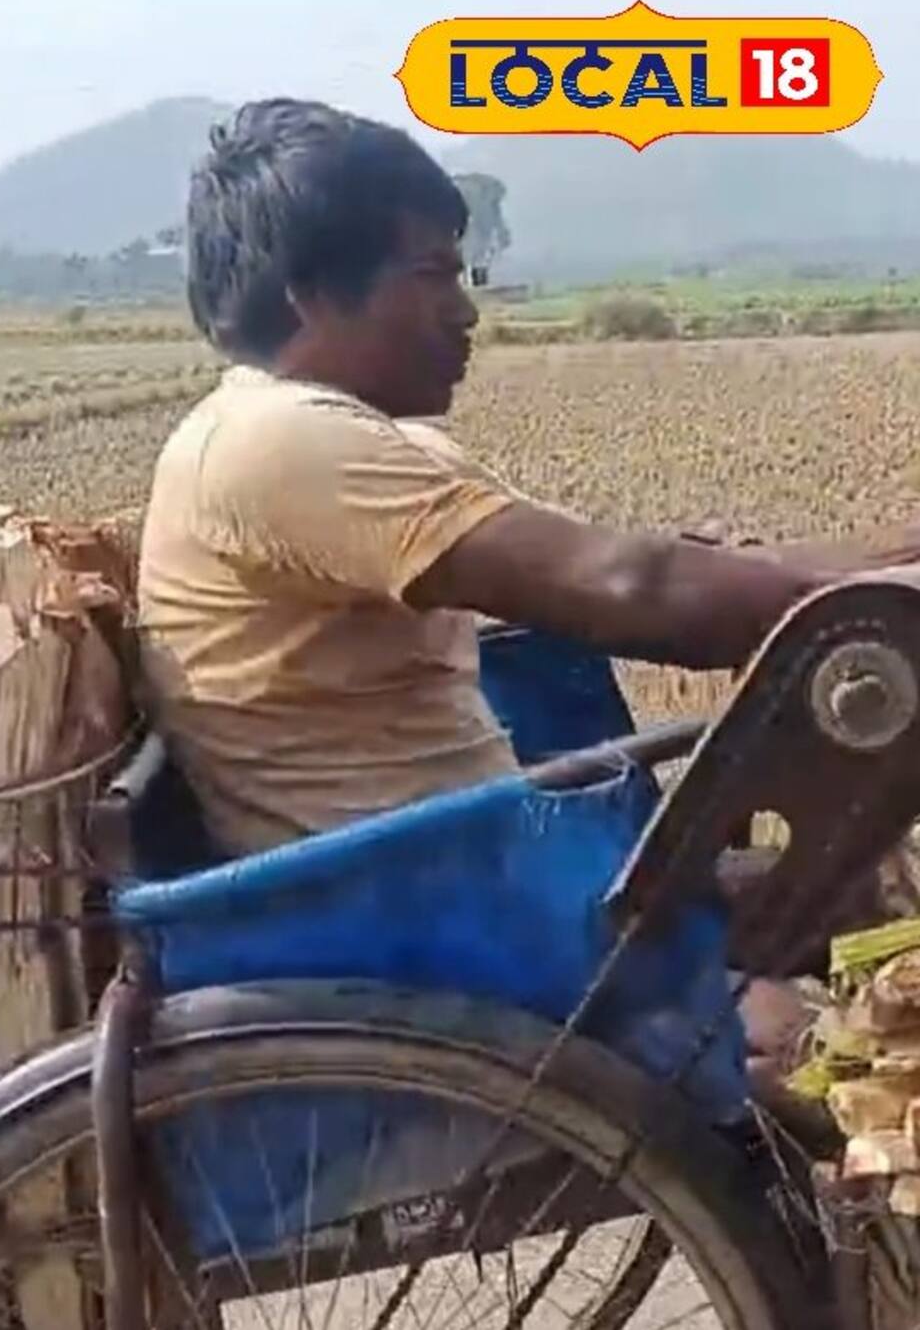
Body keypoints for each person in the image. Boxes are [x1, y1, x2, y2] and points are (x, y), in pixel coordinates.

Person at [138, 97, 920, 1072]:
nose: (464, 308)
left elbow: (660, 566)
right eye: (430, 274)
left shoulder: (327, 438)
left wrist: (893, 558)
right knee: (855, 993)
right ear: (307, 292)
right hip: (439, 923)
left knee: (852, 894)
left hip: (463, 876)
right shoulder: (283, 443)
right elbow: (632, 589)